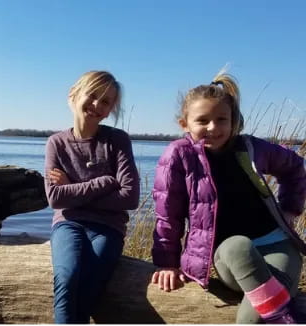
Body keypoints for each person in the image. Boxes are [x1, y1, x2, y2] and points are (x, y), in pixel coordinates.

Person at [150, 71, 306, 323]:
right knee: (237, 245)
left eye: (221, 119)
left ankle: (279, 316)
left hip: (278, 249)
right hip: (230, 258)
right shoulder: (178, 156)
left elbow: (295, 167)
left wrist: (289, 209)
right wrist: (167, 262)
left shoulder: (251, 148)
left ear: (233, 120)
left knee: (255, 314)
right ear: (185, 124)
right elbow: (168, 213)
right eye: (203, 120)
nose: (213, 127)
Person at [44, 71, 140, 323]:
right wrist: (104, 182)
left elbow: (129, 198)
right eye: (93, 95)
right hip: (68, 223)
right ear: (73, 96)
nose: (97, 104)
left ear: (110, 110)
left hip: (108, 228)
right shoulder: (56, 143)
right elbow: (55, 198)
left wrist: (73, 188)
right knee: (66, 277)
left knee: (92, 279)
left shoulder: (117, 140)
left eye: (106, 101)